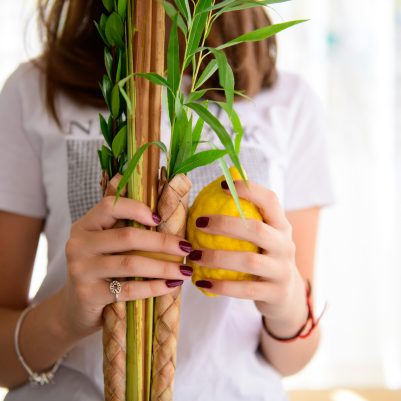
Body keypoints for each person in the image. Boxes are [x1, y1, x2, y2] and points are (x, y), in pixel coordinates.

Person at [0, 1, 335, 400]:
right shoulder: (34, 90)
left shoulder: (291, 101)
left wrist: (286, 299)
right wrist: (68, 314)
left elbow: (292, 358)